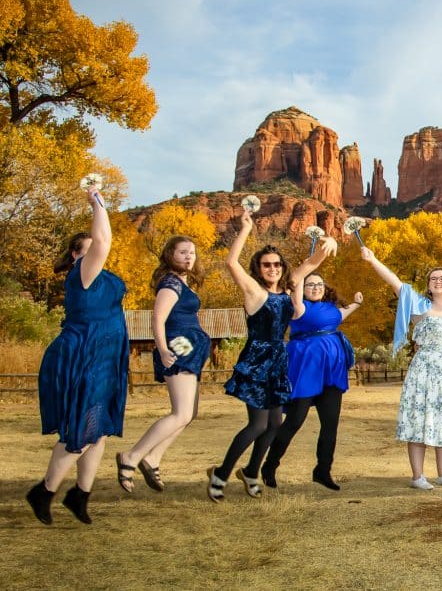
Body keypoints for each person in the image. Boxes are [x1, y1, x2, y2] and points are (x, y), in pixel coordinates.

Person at [206, 210, 335, 501]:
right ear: (259, 268)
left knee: (276, 423)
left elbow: (310, 263)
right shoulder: (254, 291)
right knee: (258, 423)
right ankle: (221, 473)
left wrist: (327, 242)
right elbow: (230, 262)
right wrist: (245, 229)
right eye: (267, 265)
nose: (273, 268)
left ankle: (252, 471)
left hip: (279, 359)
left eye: (277, 264)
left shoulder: (288, 289)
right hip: (257, 359)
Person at [27, 185, 129, 525]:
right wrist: (97, 201)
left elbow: (102, 245)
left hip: (104, 355)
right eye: (85, 251)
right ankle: (44, 491)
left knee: (98, 429)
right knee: (80, 430)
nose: (95, 253)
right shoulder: (83, 273)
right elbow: (102, 242)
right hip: (84, 354)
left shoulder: (99, 275)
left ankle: (80, 495)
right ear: (75, 256)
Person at [361, 247, 442, 490]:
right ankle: (418, 476)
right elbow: (396, 283)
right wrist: (373, 260)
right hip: (424, 371)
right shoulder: (419, 305)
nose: (439, 281)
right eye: (434, 279)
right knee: (419, 421)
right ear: (429, 286)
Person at [115, 236, 212, 493]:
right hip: (177, 346)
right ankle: (131, 457)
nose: (189, 257)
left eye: (192, 252)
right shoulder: (169, 283)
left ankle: (153, 458)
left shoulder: (183, 282)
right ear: (170, 254)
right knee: (180, 412)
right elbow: (157, 320)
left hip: (189, 348)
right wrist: (164, 349)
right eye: (183, 252)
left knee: (189, 413)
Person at [261, 272, 363, 490]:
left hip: (332, 372)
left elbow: (342, 315)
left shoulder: (331, 309)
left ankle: (322, 471)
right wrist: (305, 270)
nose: (316, 287)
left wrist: (356, 303)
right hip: (305, 371)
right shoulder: (298, 308)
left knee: (330, 424)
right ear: (302, 288)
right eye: (310, 284)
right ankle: (269, 466)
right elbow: (296, 289)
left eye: (319, 284)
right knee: (294, 421)